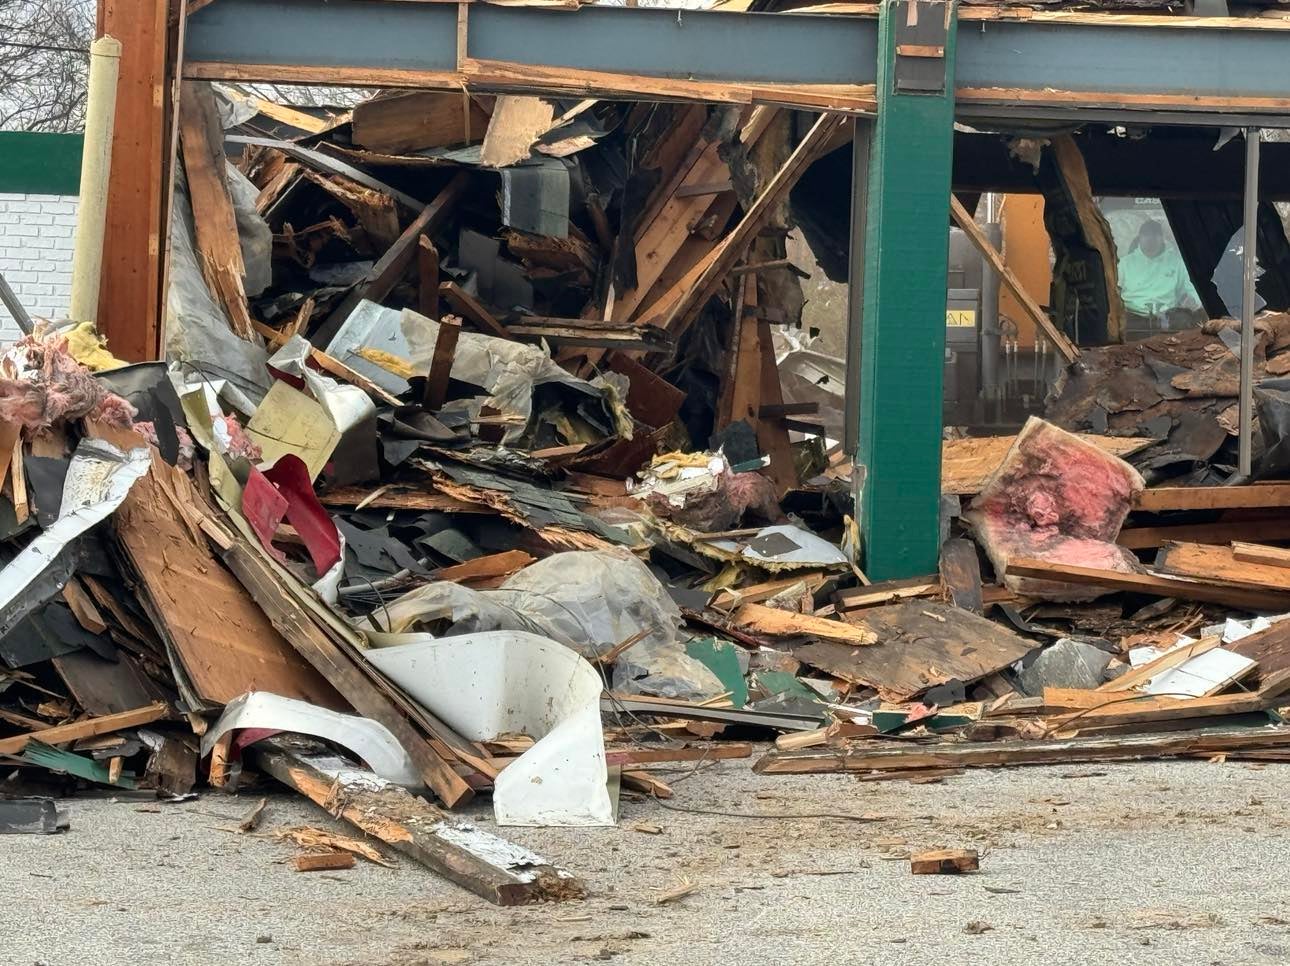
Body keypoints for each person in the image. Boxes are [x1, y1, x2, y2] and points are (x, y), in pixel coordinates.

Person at [1117, 219, 1200, 324]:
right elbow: (1113, 291)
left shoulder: (1177, 263)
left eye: (1155, 235)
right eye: (1146, 234)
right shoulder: (1124, 264)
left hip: (1169, 318)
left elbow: (1192, 288)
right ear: (1139, 238)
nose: (1150, 238)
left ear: (1162, 238)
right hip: (1131, 316)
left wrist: (1193, 300)